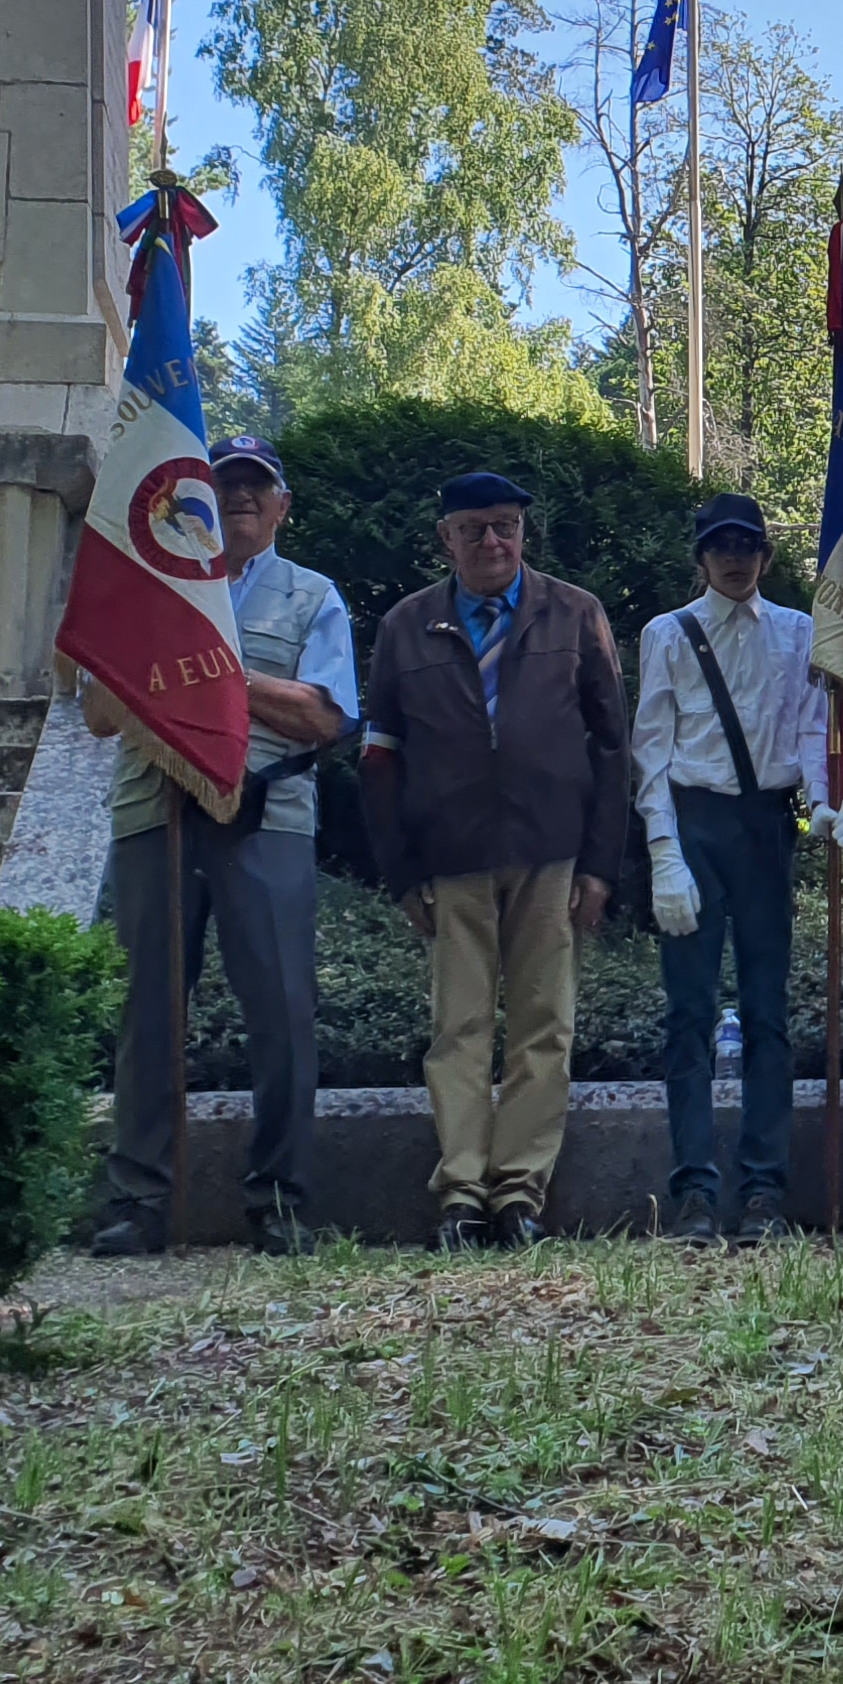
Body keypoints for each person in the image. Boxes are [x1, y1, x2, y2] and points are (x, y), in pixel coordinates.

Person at [86, 438, 355, 1260]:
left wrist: (206, 670)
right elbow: (98, 707)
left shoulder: (314, 596)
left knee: (280, 1016)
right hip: (152, 815)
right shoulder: (149, 590)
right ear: (194, 499)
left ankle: (278, 1201)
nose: (239, 498)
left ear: (281, 506)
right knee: (148, 1016)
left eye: (255, 487)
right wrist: (163, 654)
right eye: (225, 484)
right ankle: (139, 1202)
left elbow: (325, 717)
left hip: (263, 821)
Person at [360, 471, 631, 1250]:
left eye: (505, 526)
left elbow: (612, 749)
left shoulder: (576, 614)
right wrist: (401, 874)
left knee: (545, 1026)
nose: (492, 541)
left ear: (523, 532)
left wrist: (601, 867)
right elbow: (380, 759)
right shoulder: (408, 626)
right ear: (445, 538)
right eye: (474, 528)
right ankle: (461, 1194)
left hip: (551, 850)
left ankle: (519, 1193)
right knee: (459, 1029)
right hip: (451, 858)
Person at [633, 493, 843, 1244]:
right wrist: (663, 853)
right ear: (700, 555)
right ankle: (693, 1191)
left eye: (747, 546)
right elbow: (649, 749)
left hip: (765, 829)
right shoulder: (666, 634)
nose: (734, 559)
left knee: (767, 1016)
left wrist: (823, 803)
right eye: (720, 546)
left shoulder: (799, 632)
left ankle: (764, 1193)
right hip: (694, 823)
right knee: (689, 1015)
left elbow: (814, 726)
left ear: (765, 554)